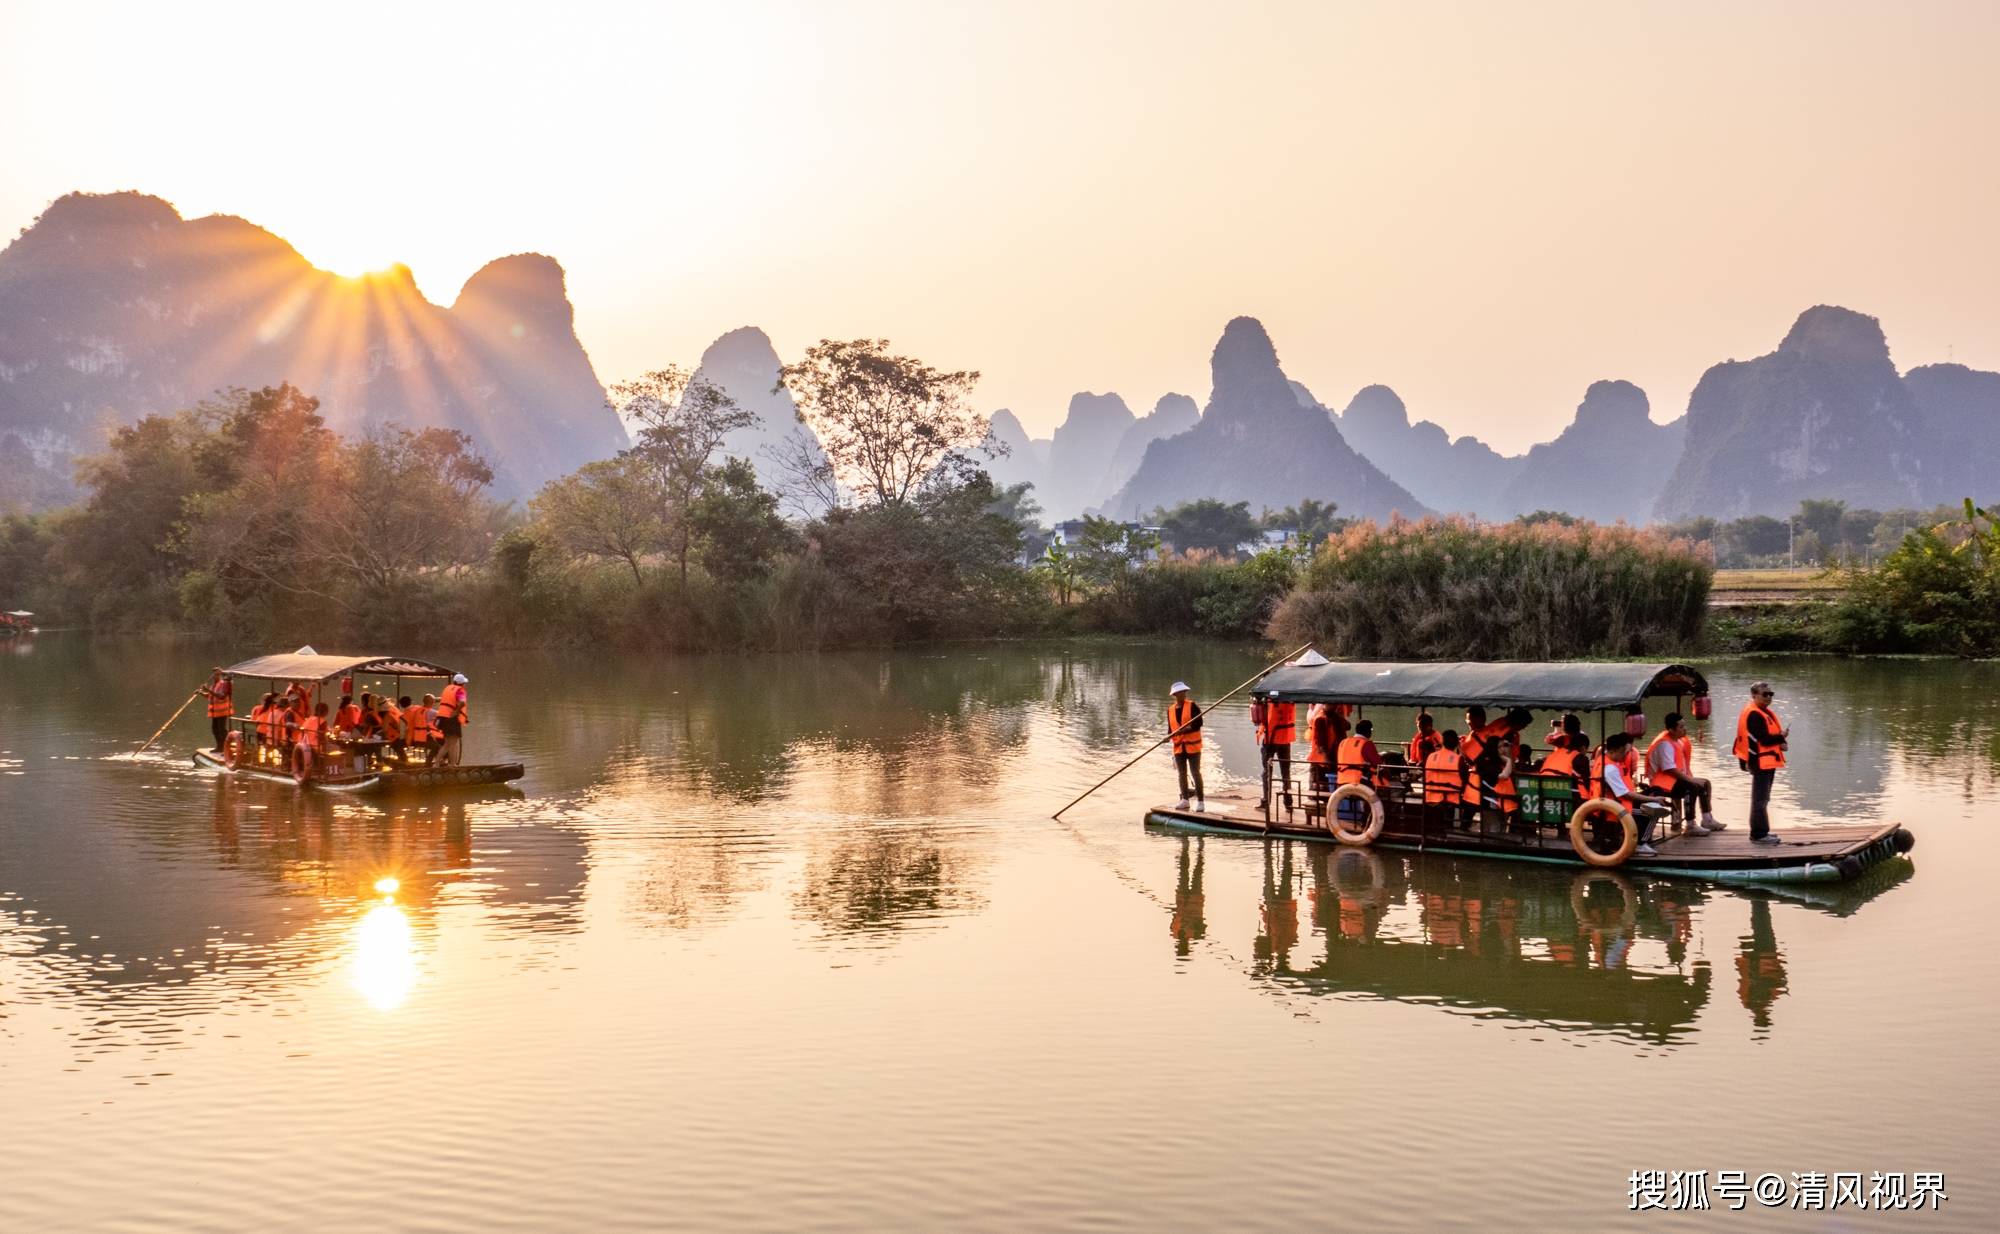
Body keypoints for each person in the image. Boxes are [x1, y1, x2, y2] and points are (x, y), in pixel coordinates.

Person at [1591, 732, 1670, 856]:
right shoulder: (1610, 769)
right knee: (1653, 811)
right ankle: (1640, 844)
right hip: (1615, 809)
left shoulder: (1606, 761)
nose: (1625, 755)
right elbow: (1625, 794)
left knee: (1655, 791)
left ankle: (1638, 836)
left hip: (1617, 802)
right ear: (1614, 750)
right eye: (1623, 752)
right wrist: (1652, 800)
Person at [1732, 681, 1788, 845]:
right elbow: (1762, 738)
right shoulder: (1755, 714)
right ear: (1754, 695)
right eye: (1765, 694)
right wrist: (1781, 737)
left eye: (1770, 694)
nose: (1768, 697)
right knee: (1760, 799)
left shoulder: (1763, 712)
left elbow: (1765, 737)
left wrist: (1780, 743)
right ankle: (1758, 834)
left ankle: (1762, 831)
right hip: (1760, 761)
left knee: (1763, 799)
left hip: (1767, 761)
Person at [1647, 712, 1721, 833]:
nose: (1684, 729)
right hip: (1662, 783)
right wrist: (1690, 780)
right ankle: (1690, 824)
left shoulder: (1676, 740)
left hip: (1673, 780)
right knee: (1691, 786)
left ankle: (1707, 819)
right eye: (1681, 727)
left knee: (1705, 783)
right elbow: (1669, 769)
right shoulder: (1664, 744)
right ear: (1671, 729)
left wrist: (1690, 778)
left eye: (1684, 725)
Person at [1254, 690, 1297, 809]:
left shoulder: (1270, 694)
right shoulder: (1291, 696)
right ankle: (1288, 804)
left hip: (1271, 739)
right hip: (1285, 739)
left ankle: (1266, 802)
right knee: (1286, 773)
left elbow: (1256, 698)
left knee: (1267, 772)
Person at [1168, 681, 1204, 811]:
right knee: (1181, 774)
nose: (1182, 694)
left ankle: (1200, 801)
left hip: (1193, 746)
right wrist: (1167, 737)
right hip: (1178, 747)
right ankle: (1185, 800)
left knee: (1195, 773)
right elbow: (1170, 729)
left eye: (1183, 692)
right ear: (1175, 694)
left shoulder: (1192, 706)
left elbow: (1199, 723)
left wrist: (1185, 730)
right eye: (1179, 693)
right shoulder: (1170, 710)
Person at [1423, 729, 1465, 824]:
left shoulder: (1430, 757)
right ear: (1456, 743)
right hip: (1449, 801)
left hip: (1430, 798)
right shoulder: (1458, 759)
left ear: (1442, 741)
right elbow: (1465, 780)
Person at [1336, 719, 1383, 787]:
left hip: (1341, 780)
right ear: (1368, 731)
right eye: (1371, 730)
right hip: (1359, 781)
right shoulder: (1367, 744)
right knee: (1382, 773)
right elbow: (1377, 763)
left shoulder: (1343, 742)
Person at [437, 673, 470, 767]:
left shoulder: (447, 689)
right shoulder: (460, 691)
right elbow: (462, 702)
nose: (464, 684)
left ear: (454, 682)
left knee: (448, 743)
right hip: (452, 719)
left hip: (443, 717)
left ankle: (438, 763)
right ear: (461, 683)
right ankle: (453, 764)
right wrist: (456, 711)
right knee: (453, 742)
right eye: (464, 683)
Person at [1306, 701, 1338, 795]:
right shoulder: (1320, 719)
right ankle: (1315, 801)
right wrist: (1326, 757)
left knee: (1327, 784)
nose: (1335, 707)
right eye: (1332, 705)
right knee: (1318, 784)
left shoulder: (1335, 717)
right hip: (1320, 758)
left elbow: (1347, 726)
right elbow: (1321, 741)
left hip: (1330, 756)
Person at [293, 701, 330, 781]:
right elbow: (321, 736)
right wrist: (327, 741)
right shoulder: (322, 721)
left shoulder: (309, 719)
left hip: (301, 744)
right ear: (325, 712)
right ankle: (324, 771)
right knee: (332, 748)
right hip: (313, 746)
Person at [200, 668, 233, 753]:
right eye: (214, 675)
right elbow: (210, 696)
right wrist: (201, 693)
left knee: (221, 730)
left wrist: (208, 690)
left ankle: (226, 748)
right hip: (215, 712)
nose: (215, 676)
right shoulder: (214, 685)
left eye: (217, 675)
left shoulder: (223, 684)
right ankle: (219, 747)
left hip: (223, 711)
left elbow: (221, 696)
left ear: (221, 675)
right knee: (214, 730)